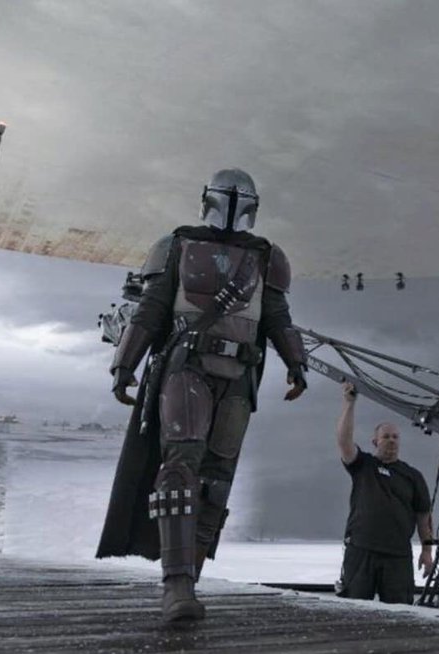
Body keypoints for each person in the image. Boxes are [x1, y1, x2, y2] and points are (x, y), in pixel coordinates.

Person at [96, 168, 308, 622]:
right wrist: (124, 363)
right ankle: (177, 585)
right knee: (181, 465)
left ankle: (188, 578)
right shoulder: (177, 245)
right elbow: (152, 308)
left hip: (237, 375)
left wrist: (297, 363)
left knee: (215, 479)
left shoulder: (266, 257)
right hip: (188, 365)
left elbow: (277, 316)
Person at [336, 381, 434, 603]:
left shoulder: (412, 476)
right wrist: (349, 404)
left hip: (397, 555)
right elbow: (344, 441)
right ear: (375, 441)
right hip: (361, 550)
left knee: (401, 610)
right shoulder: (363, 465)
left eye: (395, 437)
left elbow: (424, 517)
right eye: (386, 437)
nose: (391, 441)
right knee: (354, 608)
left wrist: (427, 552)